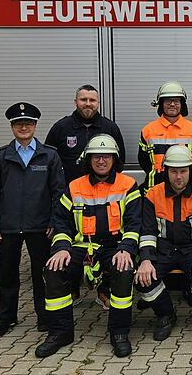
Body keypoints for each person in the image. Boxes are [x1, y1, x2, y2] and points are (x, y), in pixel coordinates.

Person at [35, 134, 141, 358]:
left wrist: (126, 249)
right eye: (96, 157)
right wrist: (62, 247)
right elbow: (61, 222)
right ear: (88, 159)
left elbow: (134, 224)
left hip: (114, 246)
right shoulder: (74, 187)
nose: (101, 161)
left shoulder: (128, 185)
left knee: (123, 271)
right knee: (53, 270)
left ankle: (119, 332)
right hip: (81, 246)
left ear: (115, 159)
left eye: (106, 156)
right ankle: (60, 332)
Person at [0, 102, 65, 336]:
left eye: (28, 123)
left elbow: (59, 193)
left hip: (41, 228)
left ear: (35, 125)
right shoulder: (1, 158)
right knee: (7, 276)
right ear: (12, 127)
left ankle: (45, 317)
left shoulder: (49, 156)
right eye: (19, 124)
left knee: (42, 276)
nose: (24, 127)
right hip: (7, 228)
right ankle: (6, 318)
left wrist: (54, 222)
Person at [136, 145, 192, 341]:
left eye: (183, 171)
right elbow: (147, 231)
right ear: (165, 171)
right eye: (173, 171)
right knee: (144, 280)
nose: (178, 177)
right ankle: (165, 314)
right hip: (164, 249)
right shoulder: (153, 194)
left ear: (191, 171)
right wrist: (146, 260)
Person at [45, 84, 125, 184]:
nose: (88, 104)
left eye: (92, 100)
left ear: (98, 103)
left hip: (102, 193)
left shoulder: (110, 128)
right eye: (83, 100)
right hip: (69, 192)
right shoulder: (60, 128)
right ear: (75, 102)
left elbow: (119, 162)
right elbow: (48, 161)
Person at [139, 81, 192, 190]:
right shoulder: (148, 130)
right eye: (167, 101)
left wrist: (186, 177)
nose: (172, 104)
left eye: (176, 101)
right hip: (154, 189)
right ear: (161, 104)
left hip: (184, 190)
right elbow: (143, 161)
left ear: (182, 104)